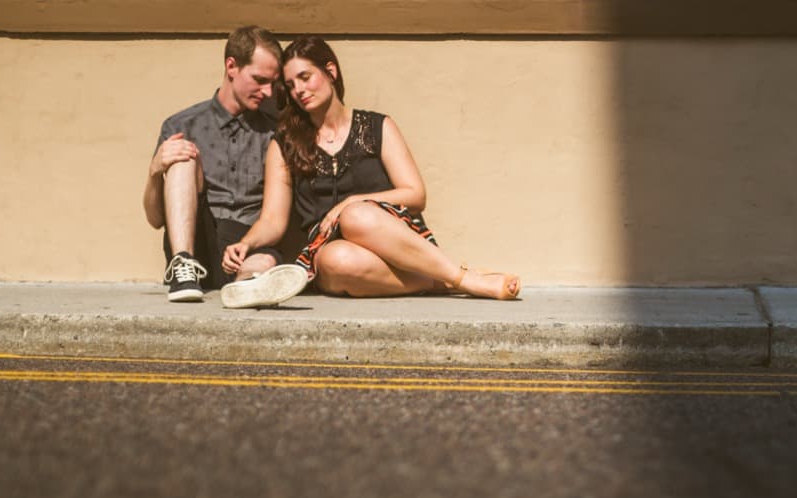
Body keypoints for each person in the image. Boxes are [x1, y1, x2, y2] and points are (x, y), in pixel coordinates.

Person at [217, 36, 520, 310]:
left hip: (395, 241)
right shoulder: (285, 143)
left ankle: (462, 278)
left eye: (305, 77)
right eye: (291, 84)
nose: (298, 90)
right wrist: (247, 242)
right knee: (335, 260)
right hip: (338, 257)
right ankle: (443, 281)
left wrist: (351, 202)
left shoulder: (377, 127)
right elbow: (272, 219)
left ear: (330, 71)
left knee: (356, 216)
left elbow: (415, 195)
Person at [144, 25, 286, 302]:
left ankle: (244, 286)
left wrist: (246, 246)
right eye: (259, 79)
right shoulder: (182, 124)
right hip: (198, 239)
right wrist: (154, 172)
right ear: (231, 66)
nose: (268, 92)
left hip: (248, 244)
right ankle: (183, 268)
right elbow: (155, 219)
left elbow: (274, 216)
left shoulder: (275, 133)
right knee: (183, 154)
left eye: (273, 83)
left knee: (266, 264)